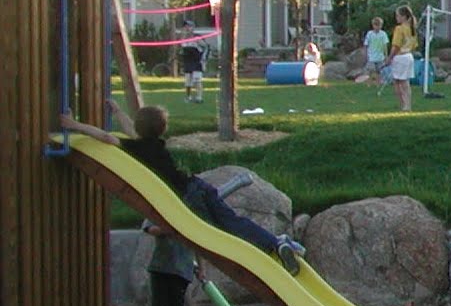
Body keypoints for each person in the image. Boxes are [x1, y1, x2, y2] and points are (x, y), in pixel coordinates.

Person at [60, 103, 307, 276]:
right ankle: (276, 242)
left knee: (221, 231)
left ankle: (269, 249)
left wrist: (73, 124)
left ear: (140, 128)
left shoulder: (136, 148)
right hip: (198, 184)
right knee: (233, 220)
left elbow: (105, 137)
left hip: (189, 197)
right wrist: (116, 111)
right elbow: (132, 131)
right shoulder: (153, 145)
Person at [388, 5, 419, 111]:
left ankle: (404, 105)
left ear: (404, 17)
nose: (396, 17)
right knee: (405, 82)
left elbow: (396, 45)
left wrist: (389, 58)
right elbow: (414, 46)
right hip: (409, 56)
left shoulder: (399, 29)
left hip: (400, 57)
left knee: (398, 82)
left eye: (398, 15)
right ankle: (407, 105)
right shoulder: (412, 28)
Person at [362, 16, 389, 92]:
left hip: (380, 57)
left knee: (379, 71)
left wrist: (386, 55)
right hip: (371, 56)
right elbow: (366, 45)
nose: (377, 27)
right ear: (373, 25)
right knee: (371, 70)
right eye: (375, 25)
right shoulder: (369, 34)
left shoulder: (383, 34)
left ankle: (378, 83)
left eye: (379, 25)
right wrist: (365, 54)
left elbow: (385, 45)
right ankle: (369, 83)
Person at [179, 36, 205, 104]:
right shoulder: (184, 42)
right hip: (188, 64)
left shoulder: (198, 40)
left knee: (197, 81)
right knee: (188, 82)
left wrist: (198, 41)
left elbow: (204, 47)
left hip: (196, 65)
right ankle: (188, 97)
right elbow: (182, 52)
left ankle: (199, 97)